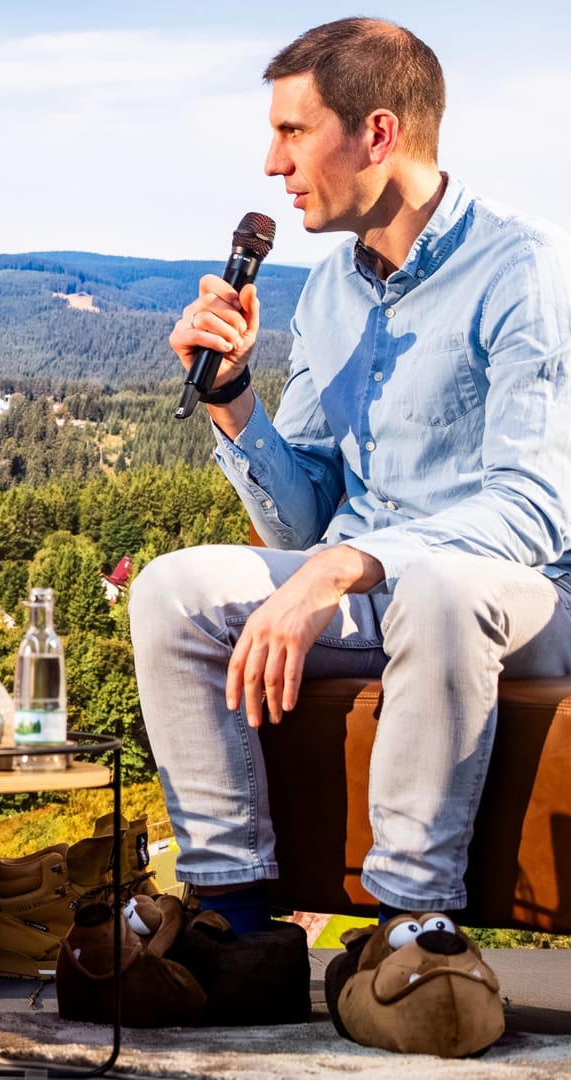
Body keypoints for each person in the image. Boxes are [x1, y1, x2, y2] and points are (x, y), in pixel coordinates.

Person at [134, 18, 571, 936]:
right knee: (172, 589)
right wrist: (232, 399)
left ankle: (414, 930)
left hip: (518, 598)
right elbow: (303, 526)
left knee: (443, 589)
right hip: (371, 587)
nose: (271, 164)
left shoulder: (526, 266)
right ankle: (237, 917)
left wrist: (352, 564)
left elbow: (533, 508)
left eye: (293, 132)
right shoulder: (329, 288)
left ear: (378, 133)